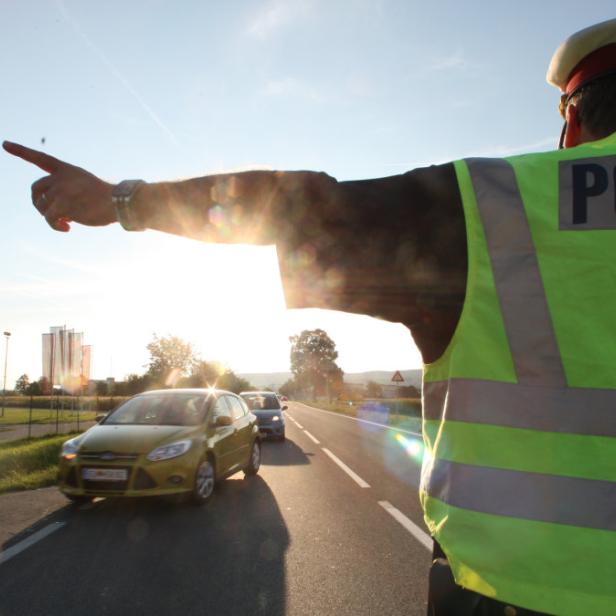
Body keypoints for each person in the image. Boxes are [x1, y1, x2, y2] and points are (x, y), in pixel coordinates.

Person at [5, 18, 616, 615]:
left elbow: (297, 205)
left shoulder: (499, 205)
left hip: (510, 587)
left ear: (572, 118)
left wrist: (121, 201)